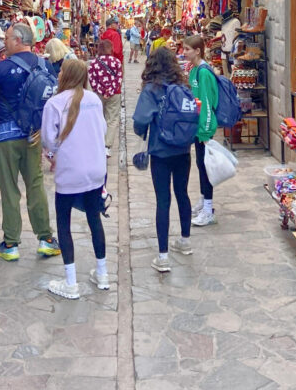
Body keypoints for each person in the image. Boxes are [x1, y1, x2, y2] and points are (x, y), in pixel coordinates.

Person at [0, 22, 60, 261]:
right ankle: (46, 239)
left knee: (10, 190)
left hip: (5, 138)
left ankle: (11, 244)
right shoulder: (45, 65)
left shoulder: (2, 67)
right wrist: (43, 128)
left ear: (18, 40)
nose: (4, 42)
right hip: (32, 137)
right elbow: (52, 98)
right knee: (35, 186)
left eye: (8, 38)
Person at [41, 59, 109, 300]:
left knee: (64, 223)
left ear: (66, 75)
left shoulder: (55, 104)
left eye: (60, 71)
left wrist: (52, 155)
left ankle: (71, 282)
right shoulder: (94, 100)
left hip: (70, 170)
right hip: (95, 169)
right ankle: (102, 273)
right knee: (94, 219)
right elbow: (102, 131)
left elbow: (49, 140)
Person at [133, 47, 193, 273]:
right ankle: (185, 241)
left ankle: (163, 255)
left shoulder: (152, 89)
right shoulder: (183, 86)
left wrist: (142, 131)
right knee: (183, 193)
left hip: (160, 150)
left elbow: (140, 120)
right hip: (183, 150)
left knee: (163, 200)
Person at [183, 35, 219, 227]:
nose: (184, 52)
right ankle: (204, 199)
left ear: (198, 51)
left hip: (203, 128)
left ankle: (208, 209)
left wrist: (205, 131)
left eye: (187, 49)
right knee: (200, 165)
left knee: (206, 168)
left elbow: (206, 102)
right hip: (198, 127)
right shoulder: (195, 70)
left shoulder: (203, 73)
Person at [88, 39, 123, 155]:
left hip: (98, 94)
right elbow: (119, 78)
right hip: (114, 94)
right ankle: (107, 146)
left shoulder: (94, 63)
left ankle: (99, 142)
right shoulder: (117, 62)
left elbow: (92, 80)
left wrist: (102, 90)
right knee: (112, 119)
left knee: (99, 117)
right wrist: (110, 90)